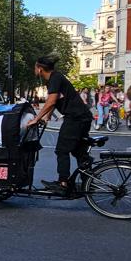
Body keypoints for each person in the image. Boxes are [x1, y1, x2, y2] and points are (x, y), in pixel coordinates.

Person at [28, 57, 93, 194]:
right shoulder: (55, 78)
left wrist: (36, 119)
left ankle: (63, 183)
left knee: (61, 150)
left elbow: (51, 101)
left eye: (35, 67)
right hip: (82, 117)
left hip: (75, 118)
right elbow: (56, 100)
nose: (34, 70)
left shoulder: (54, 79)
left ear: (40, 69)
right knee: (78, 151)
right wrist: (47, 116)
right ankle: (89, 181)